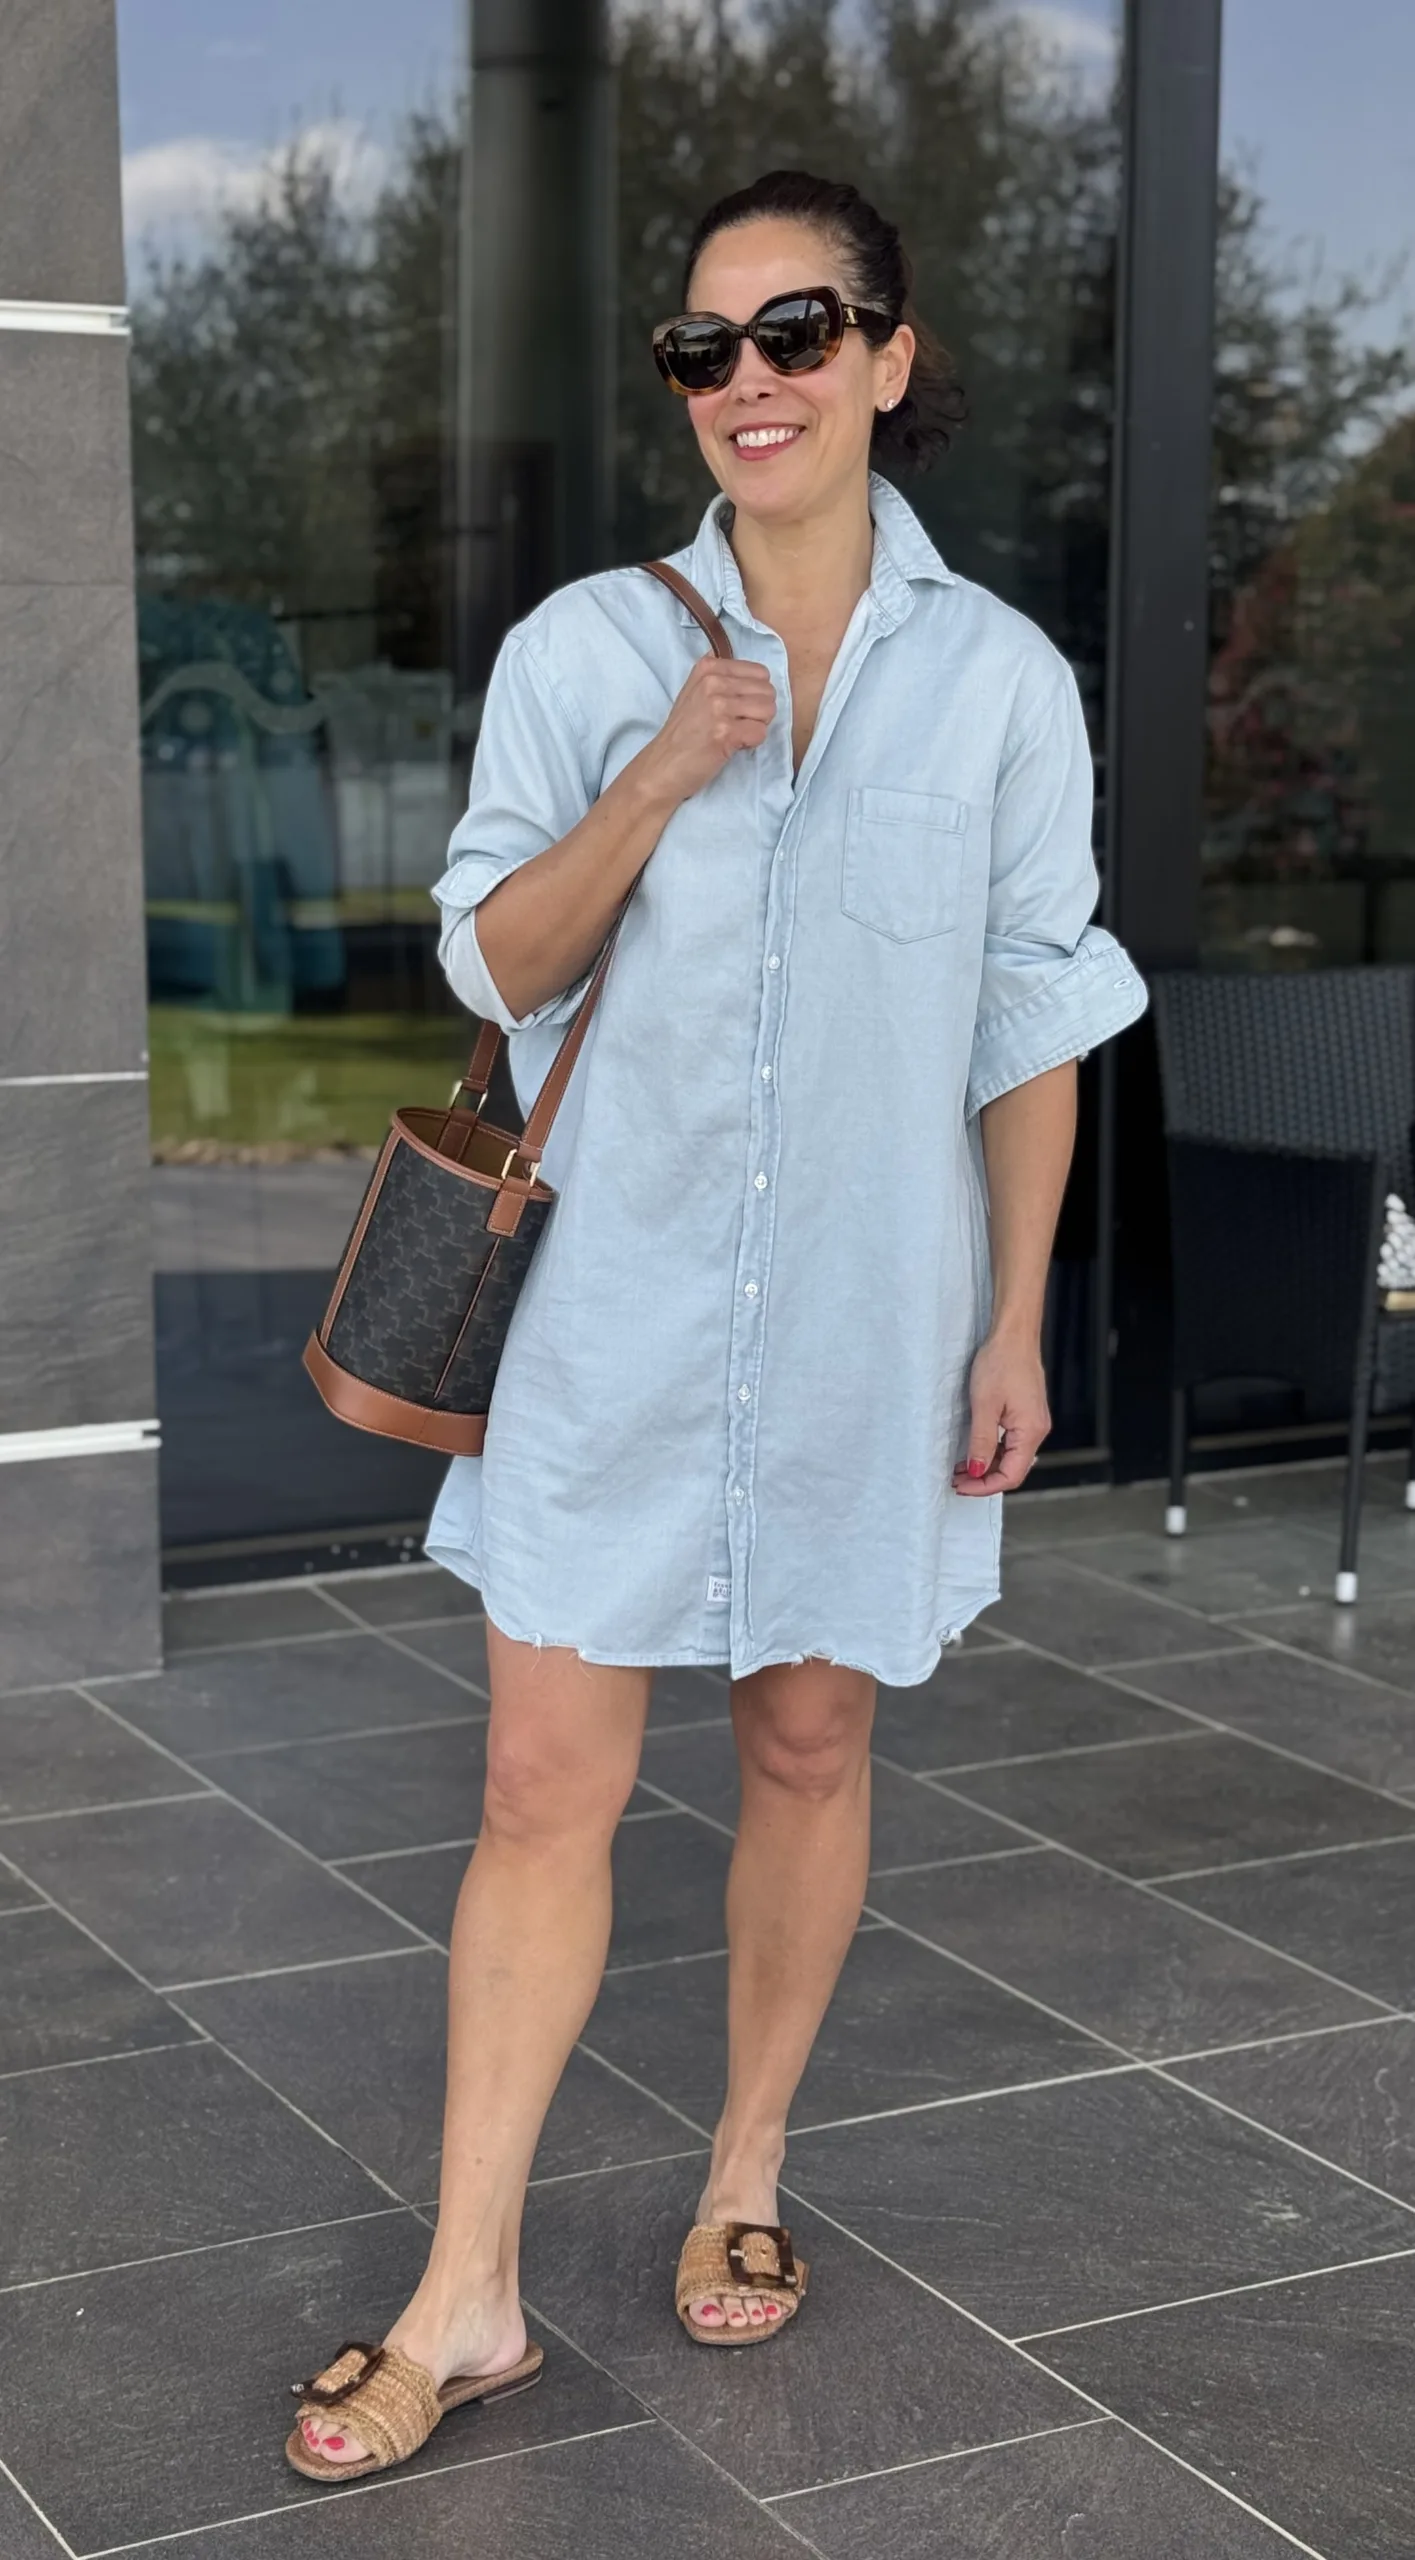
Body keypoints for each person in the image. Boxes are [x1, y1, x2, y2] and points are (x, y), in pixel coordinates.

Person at [287, 166, 1146, 2482]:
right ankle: (464, 2291)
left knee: (801, 1749)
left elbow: (1031, 1020)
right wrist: (664, 766)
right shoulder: (588, 650)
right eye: (704, 347)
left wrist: (1014, 1320)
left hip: (876, 1320)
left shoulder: (998, 683)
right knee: (536, 1782)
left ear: (885, 356)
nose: (746, 378)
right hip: (613, 1322)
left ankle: (743, 2165)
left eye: (797, 330)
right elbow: (497, 961)